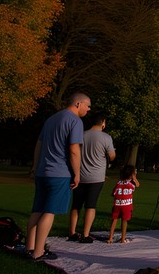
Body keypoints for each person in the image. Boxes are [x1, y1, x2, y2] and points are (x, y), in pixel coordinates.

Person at [22, 92, 91, 261]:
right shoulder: (75, 121)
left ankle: (29, 247)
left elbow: (39, 144)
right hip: (59, 173)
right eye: (88, 105)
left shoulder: (51, 119)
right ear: (78, 104)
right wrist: (77, 174)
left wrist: (35, 167)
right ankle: (39, 252)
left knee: (37, 210)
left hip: (42, 172)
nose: (89, 109)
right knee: (49, 211)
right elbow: (74, 150)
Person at [67, 113, 116, 243]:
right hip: (96, 177)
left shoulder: (81, 135)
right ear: (103, 123)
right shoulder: (106, 137)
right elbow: (112, 156)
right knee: (90, 206)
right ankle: (85, 234)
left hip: (79, 175)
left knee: (76, 205)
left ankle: (72, 233)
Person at [106, 164, 139, 244]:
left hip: (117, 204)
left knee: (114, 220)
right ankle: (123, 239)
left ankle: (110, 238)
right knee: (124, 221)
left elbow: (113, 193)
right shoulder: (131, 185)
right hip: (127, 205)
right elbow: (137, 185)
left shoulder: (119, 183)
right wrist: (134, 178)